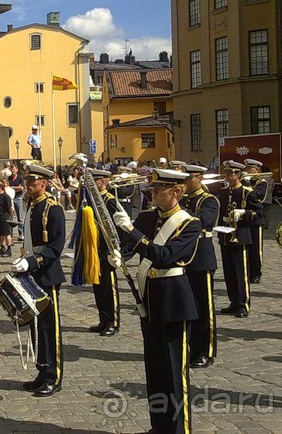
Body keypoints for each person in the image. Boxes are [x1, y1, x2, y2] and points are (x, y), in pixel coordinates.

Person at [110, 168, 200, 434]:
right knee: (155, 370)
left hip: (174, 300)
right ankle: (158, 427)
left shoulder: (189, 223)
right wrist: (117, 254)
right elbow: (130, 246)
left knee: (173, 373)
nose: (153, 193)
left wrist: (130, 231)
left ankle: (177, 430)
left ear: (176, 191)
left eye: (158, 189)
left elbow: (162, 255)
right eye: (152, 189)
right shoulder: (149, 217)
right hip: (149, 297)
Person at [11, 163, 66, 397]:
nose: (28, 185)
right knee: (36, 328)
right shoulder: (32, 206)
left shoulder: (53, 209)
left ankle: (54, 376)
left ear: (44, 183)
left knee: (49, 329)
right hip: (32, 273)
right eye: (27, 182)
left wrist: (32, 263)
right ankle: (42, 371)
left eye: (32, 182)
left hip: (47, 274)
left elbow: (56, 247)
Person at [179, 164, 220, 369]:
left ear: (200, 178)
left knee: (204, 307)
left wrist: (178, 209)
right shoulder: (185, 199)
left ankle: (206, 350)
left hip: (202, 258)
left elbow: (202, 220)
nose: (185, 183)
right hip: (185, 258)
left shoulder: (209, 200)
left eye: (189, 179)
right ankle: (191, 347)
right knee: (189, 307)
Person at [216, 161, 263, 318]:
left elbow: (260, 213)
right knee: (229, 272)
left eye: (233, 174)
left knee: (241, 273)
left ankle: (244, 304)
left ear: (239, 175)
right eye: (227, 174)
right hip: (226, 234)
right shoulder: (223, 192)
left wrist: (244, 213)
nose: (230, 177)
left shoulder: (247, 192)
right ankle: (234, 302)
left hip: (241, 236)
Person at [87, 168, 121, 337]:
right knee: (98, 286)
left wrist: (117, 250)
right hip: (96, 247)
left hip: (107, 248)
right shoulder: (93, 199)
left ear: (103, 181)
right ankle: (103, 319)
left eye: (96, 181)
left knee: (110, 288)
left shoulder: (109, 200)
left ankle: (113, 322)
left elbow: (118, 227)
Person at [242, 158, 268, 283]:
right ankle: (247, 271)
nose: (246, 171)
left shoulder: (262, 182)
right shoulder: (243, 181)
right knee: (245, 247)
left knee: (256, 248)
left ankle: (256, 273)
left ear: (256, 169)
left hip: (256, 219)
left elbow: (257, 197)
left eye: (248, 169)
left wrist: (246, 184)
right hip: (244, 218)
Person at [0, 180, 14, 257]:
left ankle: (9, 249)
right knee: (0, 234)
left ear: (0, 187)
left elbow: (11, 208)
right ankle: (2, 248)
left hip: (4, 218)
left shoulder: (5, 196)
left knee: (6, 233)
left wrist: (9, 217)